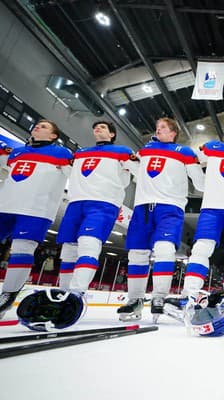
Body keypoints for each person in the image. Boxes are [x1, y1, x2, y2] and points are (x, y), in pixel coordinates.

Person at [117, 117, 205, 321]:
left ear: (173, 132)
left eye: (163, 127)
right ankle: (135, 300)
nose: (158, 130)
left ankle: (159, 297)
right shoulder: (144, 151)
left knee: (165, 249)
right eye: (157, 127)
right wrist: (129, 164)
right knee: (137, 253)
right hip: (142, 206)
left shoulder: (185, 152)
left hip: (170, 207)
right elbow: (141, 174)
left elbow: (200, 183)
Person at [168, 124, 224, 308]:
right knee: (201, 248)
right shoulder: (212, 147)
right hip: (212, 207)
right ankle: (190, 294)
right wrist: (200, 183)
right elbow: (190, 159)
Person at [0, 120, 72, 319]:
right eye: (37, 125)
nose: (38, 127)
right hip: (5, 206)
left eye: (45, 127)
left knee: (22, 249)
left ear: (53, 136)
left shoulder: (63, 154)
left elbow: (80, 177)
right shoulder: (16, 153)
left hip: (36, 210)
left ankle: (8, 295)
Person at [56, 121, 137, 299]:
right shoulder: (80, 153)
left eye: (103, 127)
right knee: (69, 248)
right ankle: (63, 292)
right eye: (95, 127)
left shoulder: (123, 152)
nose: (97, 129)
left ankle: (76, 293)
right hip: (76, 202)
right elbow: (70, 173)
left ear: (112, 134)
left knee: (88, 243)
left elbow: (141, 171)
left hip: (104, 202)